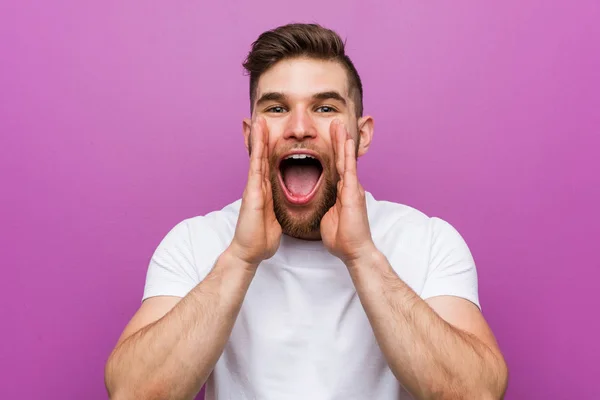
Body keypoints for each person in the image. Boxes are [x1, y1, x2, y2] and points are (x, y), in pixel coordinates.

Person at [104, 23, 508, 400]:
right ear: (250, 136)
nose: (300, 127)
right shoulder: (194, 242)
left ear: (361, 134)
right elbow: (132, 390)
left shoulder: (429, 240)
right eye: (277, 108)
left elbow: (478, 391)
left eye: (326, 108)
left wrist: (362, 257)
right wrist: (241, 259)